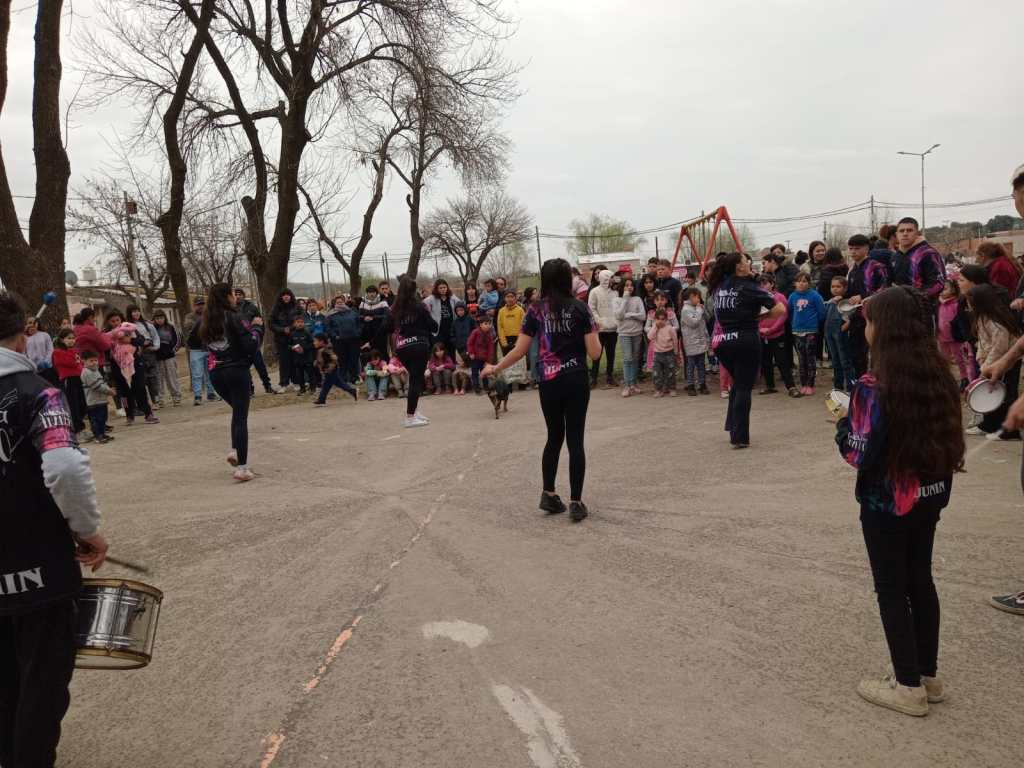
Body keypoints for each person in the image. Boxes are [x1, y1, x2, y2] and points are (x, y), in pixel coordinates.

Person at [835, 286, 963, 717]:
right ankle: (927, 674)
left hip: (888, 502)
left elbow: (858, 452)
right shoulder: (940, 374)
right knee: (920, 580)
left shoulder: (873, 386)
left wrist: (840, 423)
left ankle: (907, 685)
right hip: (931, 494)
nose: (864, 329)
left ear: (882, 328)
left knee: (892, 588)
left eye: (869, 321)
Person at [0, 292, 108, 768]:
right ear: (25, 332)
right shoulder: (40, 392)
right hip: (38, 564)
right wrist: (88, 530)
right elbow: (64, 467)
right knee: (42, 678)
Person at [483, 258, 602, 522]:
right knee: (575, 440)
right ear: (567, 279)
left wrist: (496, 367)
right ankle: (576, 501)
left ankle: (548, 494)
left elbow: (519, 350)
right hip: (575, 379)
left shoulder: (535, 310)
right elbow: (594, 353)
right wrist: (598, 334)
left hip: (548, 381)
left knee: (554, 437)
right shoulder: (581, 309)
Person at [709, 252, 786, 448]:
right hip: (745, 340)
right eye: (745, 261)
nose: (749, 263)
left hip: (722, 341)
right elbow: (780, 309)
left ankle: (733, 425)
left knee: (737, 384)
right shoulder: (750, 287)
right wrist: (760, 317)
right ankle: (740, 437)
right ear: (738, 267)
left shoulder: (720, 286)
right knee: (744, 387)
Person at [196, 283, 264, 482]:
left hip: (216, 373)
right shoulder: (234, 317)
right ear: (227, 296)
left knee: (237, 413)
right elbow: (250, 345)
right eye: (234, 294)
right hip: (236, 370)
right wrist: (258, 328)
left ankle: (235, 450)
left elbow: (194, 342)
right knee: (241, 417)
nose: (236, 297)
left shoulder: (205, 321)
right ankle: (242, 468)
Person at [966, 284, 1020, 440]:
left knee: (1005, 396)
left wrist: (988, 365)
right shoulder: (982, 317)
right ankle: (989, 425)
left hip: (1008, 363)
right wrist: (982, 360)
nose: (968, 305)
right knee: (990, 395)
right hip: (992, 363)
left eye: (971, 301)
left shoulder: (995, 322)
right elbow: (983, 343)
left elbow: (999, 347)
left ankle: (1009, 431)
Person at [387, 275, 438, 427]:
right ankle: (410, 417)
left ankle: (414, 412)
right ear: (413, 290)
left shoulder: (394, 308)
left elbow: (387, 327)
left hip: (402, 348)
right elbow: (433, 326)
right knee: (416, 380)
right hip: (419, 346)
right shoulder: (419, 306)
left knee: (415, 378)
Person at [845, 234, 891, 380]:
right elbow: (851, 293)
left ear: (866, 249)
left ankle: (878, 382)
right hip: (856, 317)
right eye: (851, 249)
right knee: (856, 353)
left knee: (876, 352)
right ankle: (860, 383)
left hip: (873, 317)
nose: (853, 252)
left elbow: (885, 289)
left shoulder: (877, 267)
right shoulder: (852, 270)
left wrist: (863, 296)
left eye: (857, 248)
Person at [756, 275, 797, 397]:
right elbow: (754, 316)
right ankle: (770, 386)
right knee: (766, 362)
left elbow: (783, 315)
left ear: (772, 284)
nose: (762, 286)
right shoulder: (757, 298)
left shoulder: (779, 297)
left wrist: (772, 329)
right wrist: (760, 329)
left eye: (765, 283)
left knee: (782, 361)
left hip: (778, 335)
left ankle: (791, 387)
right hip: (762, 336)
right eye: (760, 284)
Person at [891, 217, 945, 310]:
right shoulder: (895, 256)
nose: (905, 233)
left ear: (917, 233)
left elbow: (938, 283)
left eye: (909, 230)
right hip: (898, 310)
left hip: (923, 310)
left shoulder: (928, 253)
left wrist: (912, 295)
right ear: (896, 234)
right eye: (901, 231)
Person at [233, 288, 278, 394]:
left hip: (253, 341)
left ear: (243, 296)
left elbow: (260, 322)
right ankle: (250, 389)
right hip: (241, 344)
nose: (238, 296)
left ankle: (268, 386)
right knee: (245, 368)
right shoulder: (232, 309)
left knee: (260, 366)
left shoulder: (252, 307)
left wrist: (259, 339)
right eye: (236, 294)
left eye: (240, 294)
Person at [789, 273, 827, 395]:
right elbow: (789, 311)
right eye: (799, 281)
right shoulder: (792, 296)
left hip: (811, 331)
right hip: (797, 331)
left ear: (809, 283)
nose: (801, 283)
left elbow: (822, 313)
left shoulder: (815, 296)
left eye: (805, 281)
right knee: (801, 358)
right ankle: (803, 384)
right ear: (795, 283)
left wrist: (813, 323)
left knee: (810, 358)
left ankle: (810, 384)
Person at [937, 279, 975, 390]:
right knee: (944, 358)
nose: (942, 291)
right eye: (941, 289)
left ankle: (964, 378)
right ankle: (947, 378)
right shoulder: (938, 304)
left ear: (953, 289)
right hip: (942, 337)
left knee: (960, 359)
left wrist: (963, 335)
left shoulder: (956, 303)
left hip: (955, 337)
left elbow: (960, 320)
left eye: (945, 289)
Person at [182, 297, 217, 405]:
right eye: (198, 304)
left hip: (209, 348)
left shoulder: (210, 315)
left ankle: (211, 394)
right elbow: (190, 327)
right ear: (194, 306)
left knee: (210, 373)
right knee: (197, 374)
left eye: (203, 304)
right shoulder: (189, 317)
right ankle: (197, 396)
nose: (201, 306)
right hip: (196, 349)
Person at [615, 276, 646, 397]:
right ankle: (627, 385)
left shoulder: (638, 299)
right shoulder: (617, 300)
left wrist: (629, 314)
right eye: (627, 285)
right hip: (624, 333)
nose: (629, 288)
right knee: (627, 359)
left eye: (631, 285)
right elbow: (618, 315)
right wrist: (625, 299)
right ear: (622, 287)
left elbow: (643, 316)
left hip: (637, 332)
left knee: (635, 359)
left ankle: (633, 384)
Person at [587, 269, 618, 388]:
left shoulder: (615, 292)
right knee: (597, 354)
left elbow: (617, 307)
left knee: (611, 354)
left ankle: (610, 377)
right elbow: (591, 308)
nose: (613, 280)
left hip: (613, 329)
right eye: (611, 277)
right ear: (605, 278)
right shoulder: (594, 292)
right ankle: (593, 378)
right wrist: (599, 321)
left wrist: (615, 322)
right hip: (599, 329)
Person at [824, 276, 855, 392]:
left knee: (845, 361)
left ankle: (851, 388)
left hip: (840, 334)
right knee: (835, 361)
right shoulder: (831, 302)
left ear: (845, 288)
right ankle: (838, 387)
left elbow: (850, 317)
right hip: (829, 333)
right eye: (833, 286)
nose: (835, 289)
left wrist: (844, 327)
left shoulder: (846, 302)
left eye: (838, 286)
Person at [126, 305, 161, 406]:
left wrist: (155, 347)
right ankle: (145, 402)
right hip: (136, 355)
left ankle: (156, 399)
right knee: (141, 379)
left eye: (137, 311)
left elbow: (155, 336)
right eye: (133, 311)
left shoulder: (147, 324)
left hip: (149, 354)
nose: (136, 313)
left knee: (152, 377)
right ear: (129, 313)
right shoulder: (127, 326)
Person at [325, 295, 362, 385]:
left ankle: (354, 377)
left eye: (341, 301)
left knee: (354, 359)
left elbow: (359, 323)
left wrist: (358, 333)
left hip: (353, 339)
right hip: (339, 341)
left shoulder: (352, 312)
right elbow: (328, 328)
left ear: (344, 302)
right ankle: (343, 378)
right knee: (342, 360)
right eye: (337, 302)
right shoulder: (330, 314)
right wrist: (335, 335)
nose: (340, 303)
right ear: (334, 303)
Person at [680, 287, 711, 396]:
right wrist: (698, 310)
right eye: (698, 297)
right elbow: (694, 322)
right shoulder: (685, 309)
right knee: (691, 365)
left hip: (701, 341)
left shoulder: (697, 308)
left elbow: (706, 319)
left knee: (701, 364)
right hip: (691, 342)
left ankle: (702, 384)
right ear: (691, 297)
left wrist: (703, 310)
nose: (699, 299)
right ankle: (690, 385)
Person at [312, 333, 357, 406]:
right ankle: (352, 391)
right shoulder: (322, 349)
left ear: (321, 342)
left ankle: (321, 400)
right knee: (339, 383)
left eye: (315, 341)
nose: (314, 342)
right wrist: (317, 362)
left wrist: (330, 368)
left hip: (331, 370)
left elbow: (334, 359)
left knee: (326, 385)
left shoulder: (327, 349)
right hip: (328, 369)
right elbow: (322, 359)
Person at [80, 350, 114, 444]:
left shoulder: (96, 371)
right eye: (91, 361)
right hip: (93, 401)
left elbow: (102, 383)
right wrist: (109, 391)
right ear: (84, 361)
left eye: (96, 360)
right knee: (96, 420)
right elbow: (96, 386)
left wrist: (108, 390)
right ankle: (97, 436)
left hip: (101, 400)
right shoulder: (86, 372)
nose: (94, 362)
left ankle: (102, 434)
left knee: (103, 418)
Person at [423, 279, 463, 358]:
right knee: (439, 349)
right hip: (438, 329)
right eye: (440, 288)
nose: (443, 289)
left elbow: (461, 304)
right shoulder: (432, 298)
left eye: (444, 287)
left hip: (450, 327)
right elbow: (423, 305)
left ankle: (452, 364)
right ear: (437, 289)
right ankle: (438, 366)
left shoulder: (452, 297)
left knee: (451, 347)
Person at [270, 289, 300, 391]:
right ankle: (284, 383)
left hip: (295, 337)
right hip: (281, 339)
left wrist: (291, 328)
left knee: (295, 360)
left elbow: (301, 319)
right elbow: (271, 324)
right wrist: (282, 330)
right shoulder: (276, 308)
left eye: (288, 295)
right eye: (284, 295)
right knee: (284, 362)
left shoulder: (296, 307)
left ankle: (296, 382)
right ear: (281, 297)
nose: (286, 297)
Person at [150, 310, 182, 407]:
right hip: (157, 358)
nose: (160, 320)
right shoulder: (152, 329)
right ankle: (160, 399)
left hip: (169, 357)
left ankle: (176, 397)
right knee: (159, 379)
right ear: (154, 319)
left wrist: (172, 350)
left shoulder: (170, 327)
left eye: (161, 318)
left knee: (172, 377)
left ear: (165, 318)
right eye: (157, 318)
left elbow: (178, 340)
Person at [648, 308, 682, 397]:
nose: (660, 321)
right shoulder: (654, 328)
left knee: (670, 372)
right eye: (658, 319)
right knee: (657, 373)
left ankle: (672, 388)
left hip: (669, 353)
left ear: (666, 320)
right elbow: (649, 337)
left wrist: (676, 352)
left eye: (663, 319)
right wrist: (655, 327)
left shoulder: (670, 328)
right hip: (657, 354)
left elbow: (675, 340)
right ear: (655, 320)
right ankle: (658, 389)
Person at [467, 316, 496, 394]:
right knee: (475, 373)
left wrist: (489, 360)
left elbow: (491, 348)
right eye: (485, 324)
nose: (488, 326)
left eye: (489, 324)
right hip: (475, 357)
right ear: (480, 324)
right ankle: (476, 388)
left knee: (485, 373)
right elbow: (470, 343)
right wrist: (471, 352)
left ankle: (486, 387)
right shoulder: (475, 332)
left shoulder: (490, 335)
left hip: (484, 358)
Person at [288, 316, 315, 395]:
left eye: (301, 322)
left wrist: (304, 348)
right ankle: (302, 389)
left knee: (310, 373)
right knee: (300, 374)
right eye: (298, 322)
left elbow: (312, 344)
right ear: (294, 324)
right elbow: (288, 345)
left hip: (307, 357)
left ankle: (312, 388)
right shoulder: (292, 334)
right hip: (297, 358)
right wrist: (292, 347)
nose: (300, 324)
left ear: (304, 323)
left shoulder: (307, 332)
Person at [24, 316, 55, 384]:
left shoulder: (45, 335)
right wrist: (30, 364)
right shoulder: (24, 338)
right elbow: (23, 353)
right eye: (30, 323)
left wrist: (46, 361)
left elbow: (50, 350)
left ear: (37, 324)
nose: (32, 324)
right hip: (32, 370)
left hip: (46, 368)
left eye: (34, 322)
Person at [497, 290, 524, 356]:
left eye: (512, 297)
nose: (510, 299)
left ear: (515, 298)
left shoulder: (520, 310)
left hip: (518, 339)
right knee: (507, 362)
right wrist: (504, 343)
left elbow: (523, 326)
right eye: (507, 297)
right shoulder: (501, 311)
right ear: (504, 298)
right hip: (506, 339)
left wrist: (518, 341)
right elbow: (500, 327)